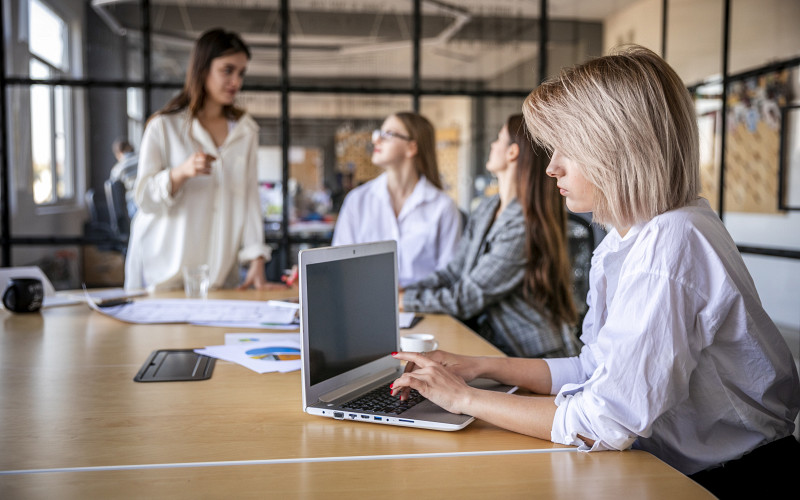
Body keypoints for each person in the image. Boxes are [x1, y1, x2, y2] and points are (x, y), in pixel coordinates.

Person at [389, 46, 799, 498]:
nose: (551, 166)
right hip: (682, 469)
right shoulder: (631, 236)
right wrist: (480, 367)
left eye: (570, 148)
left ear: (617, 147)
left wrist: (463, 399)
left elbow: (605, 421)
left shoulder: (671, 242)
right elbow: (594, 369)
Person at [401, 114, 577, 358]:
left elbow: (467, 298)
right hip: (492, 342)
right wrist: (405, 290)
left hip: (531, 352)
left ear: (512, 152)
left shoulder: (524, 225)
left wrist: (406, 300)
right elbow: (454, 271)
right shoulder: (487, 208)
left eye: (498, 139)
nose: (492, 145)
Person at [125, 28, 271, 291]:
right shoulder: (163, 126)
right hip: (163, 270)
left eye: (241, 73)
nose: (236, 81)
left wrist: (256, 258)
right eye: (227, 70)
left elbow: (250, 197)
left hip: (216, 272)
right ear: (203, 69)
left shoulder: (246, 131)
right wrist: (180, 173)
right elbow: (144, 197)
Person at [331, 112, 462, 288]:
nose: (376, 140)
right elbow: (339, 264)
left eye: (388, 134)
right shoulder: (357, 200)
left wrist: (406, 295)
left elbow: (449, 276)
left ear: (411, 148)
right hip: (365, 304)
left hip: (423, 308)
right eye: (379, 133)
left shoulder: (443, 207)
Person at [109, 138, 139, 219]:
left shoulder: (118, 168)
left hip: (134, 201)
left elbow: (113, 186)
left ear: (118, 153)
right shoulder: (142, 158)